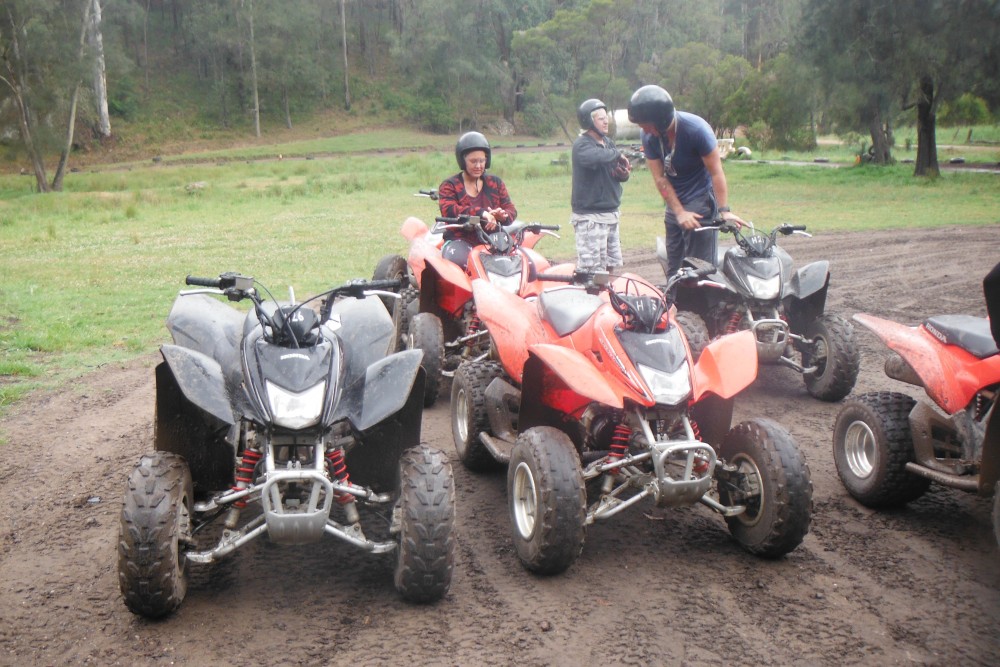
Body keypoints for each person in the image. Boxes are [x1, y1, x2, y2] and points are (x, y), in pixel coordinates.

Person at [627, 84, 745, 279]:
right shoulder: (648, 136)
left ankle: (705, 308)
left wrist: (724, 211)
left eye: (645, 124)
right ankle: (675, 307)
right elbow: (660, 178)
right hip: (674, 204)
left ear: (661, 119)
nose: (643, 130)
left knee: (700, 270)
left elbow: (716, 172)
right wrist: (679, 211)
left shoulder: (696, 130)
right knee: (674, 269)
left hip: (700, 200)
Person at [437, 131, 517, 268]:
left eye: (482, 161)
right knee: (461, 264)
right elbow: (450, 211)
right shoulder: (449, 185)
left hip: (493, 240)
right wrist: (482, 214)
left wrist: (502, 216)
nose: (479, 166)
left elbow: (511, 210)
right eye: (473, 161)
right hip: (460, 240)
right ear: (462, 161)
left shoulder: (495, 183)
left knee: (520, 264)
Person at [570, 98, 632, 272]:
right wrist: (618, 154)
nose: (606, 121)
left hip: (610, 215)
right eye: (601, 118)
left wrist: (622, 173)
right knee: (592, 272)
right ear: (589, 122)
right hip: (590, 218)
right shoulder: (582, 145)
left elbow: (613, 169)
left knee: (611, 266)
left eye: (606, 117)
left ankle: (608, 298)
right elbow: (598, 157)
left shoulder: (608, 144)